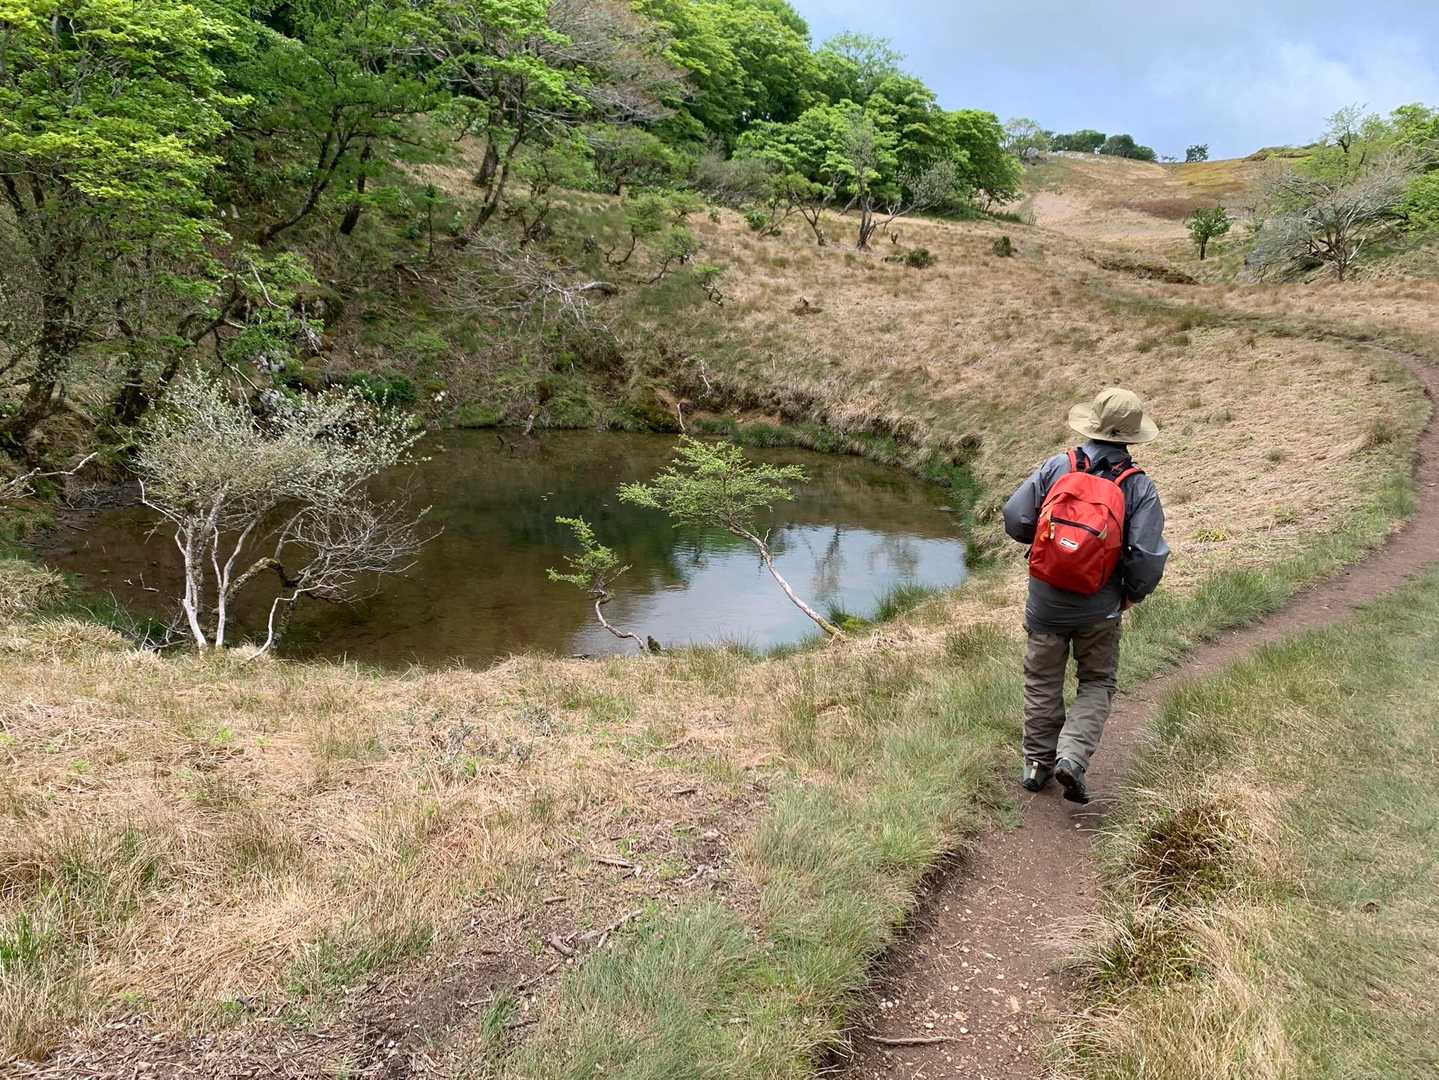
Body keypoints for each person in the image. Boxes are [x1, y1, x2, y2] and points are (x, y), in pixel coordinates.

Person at [1002, 387, 1169, 804]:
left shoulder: (1058, 466)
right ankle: (1072, 758)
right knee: (1096, 681)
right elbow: (1147, 558)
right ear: (1133, 436)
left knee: (1042, 680)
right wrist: (1130, 595)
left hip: (1045, 601)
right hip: (1100, 605)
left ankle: (1036, 765)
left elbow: (1015, 518)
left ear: (1091, 424)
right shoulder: (1138, 487)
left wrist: (1048, 547)